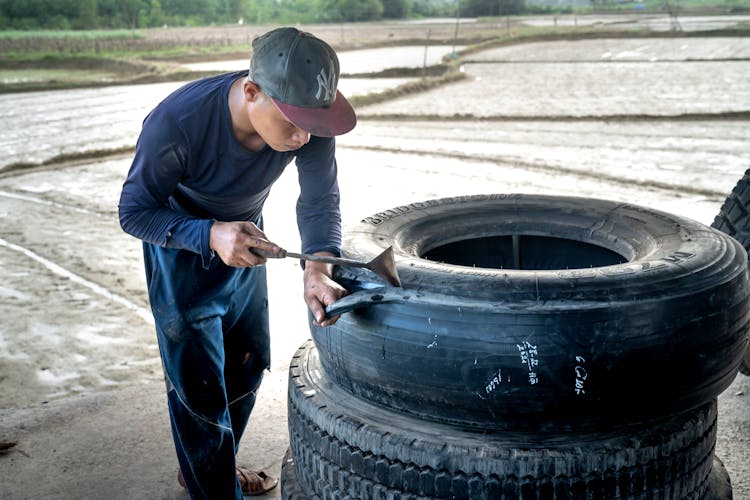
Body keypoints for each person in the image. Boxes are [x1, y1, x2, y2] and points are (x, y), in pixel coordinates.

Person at [118, 26, 356, 498]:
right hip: (180, 242)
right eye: (291, 121)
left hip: (246, 232)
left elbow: (319, 200)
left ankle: (206, 470)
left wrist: (317, 269)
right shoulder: (178, 123)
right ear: (251, 92)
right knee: (199, 383)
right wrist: (209, 233)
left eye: (310, 122)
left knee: (249, 359)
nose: (302, 134)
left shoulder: (307, 123)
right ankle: (215, 489)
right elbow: (133, 211)